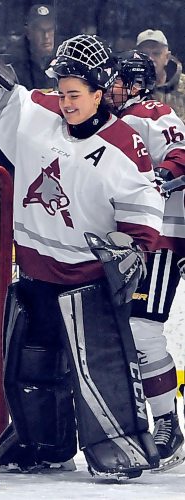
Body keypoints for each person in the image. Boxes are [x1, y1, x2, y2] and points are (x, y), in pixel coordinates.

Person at [0, 5, 164, 479]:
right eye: (62, 91)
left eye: (76, 94)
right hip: (38, 273)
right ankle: (43, 444)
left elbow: (144, 223)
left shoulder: (127, 145)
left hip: (88, 281)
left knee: (100, 370)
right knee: (31, 366)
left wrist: (128, 250)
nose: (65, 102)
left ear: (101, 92)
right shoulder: (37, 110)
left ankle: (120, 447)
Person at [109, 50, 185, 471]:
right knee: (126, 330)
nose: (110, 87)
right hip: (137, 239)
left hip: (164, 236)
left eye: (117, 80)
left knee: (142, 328)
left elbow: (180, 156)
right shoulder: (109, 119)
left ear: (136, 85)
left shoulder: (152, 111)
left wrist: (160, 178)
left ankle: (168, 425)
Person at [136, 29, 185, 122]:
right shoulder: (128, 89)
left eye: (156, 54)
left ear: (167, 57)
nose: (150, 58)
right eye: (144, 54)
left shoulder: (183, 86)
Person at [8, 4, 57, 90]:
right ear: (28, 33)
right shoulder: (17, 63)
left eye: (50, 29)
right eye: (40, 30)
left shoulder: (64, 58)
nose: (46, 36)